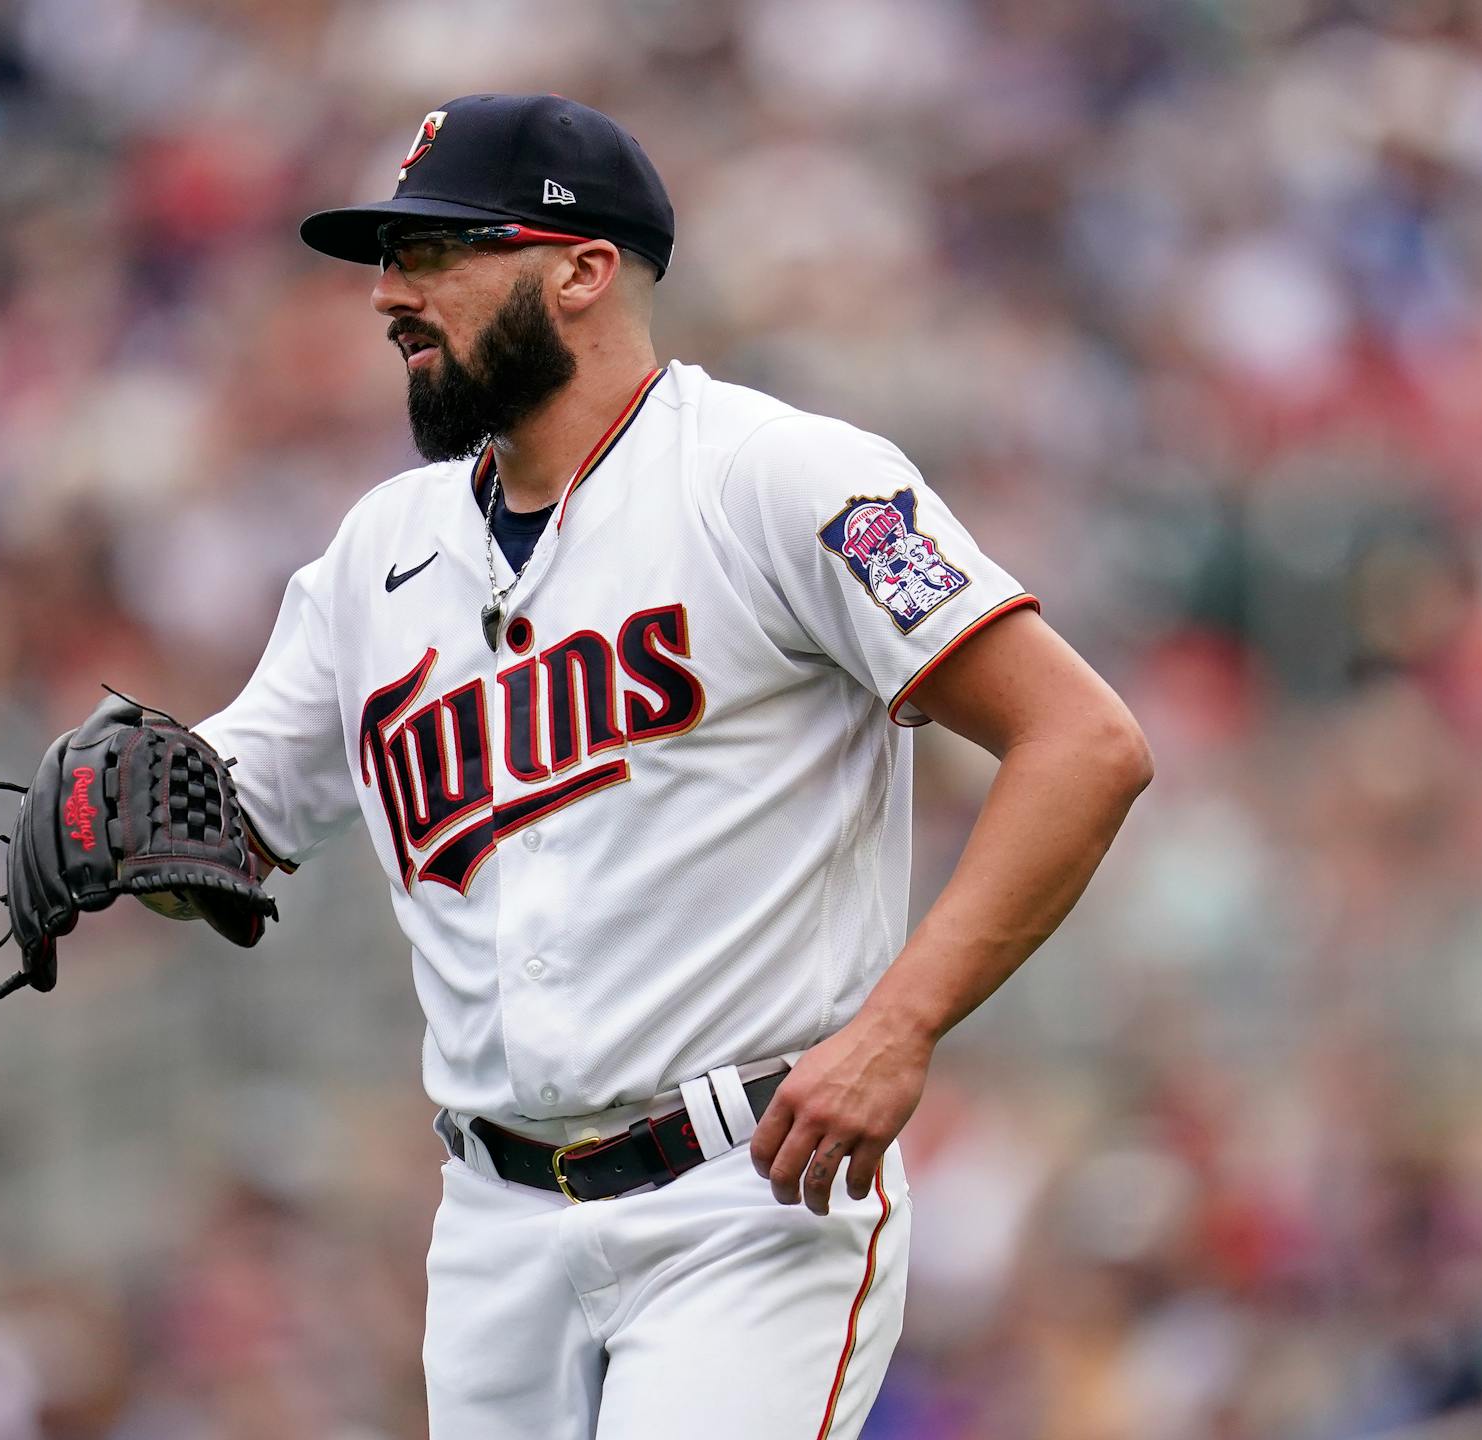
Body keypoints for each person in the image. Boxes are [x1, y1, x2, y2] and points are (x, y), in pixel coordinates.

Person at [196, 93, 1153, 1439]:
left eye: (436, 251)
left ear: (583, 269)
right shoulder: (376, 552)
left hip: (744, 1194)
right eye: (388, 258)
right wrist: (127, 829)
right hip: (492, 1228)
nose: (390, 295)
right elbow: (228, 827)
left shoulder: (775, 475)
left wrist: (902, 1022)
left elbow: (1084, 742)